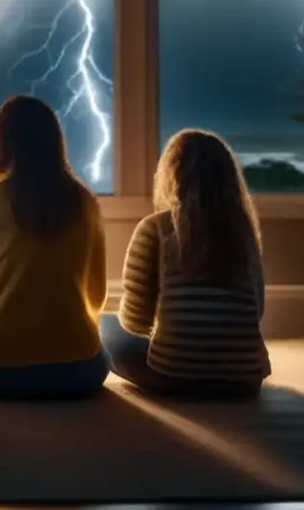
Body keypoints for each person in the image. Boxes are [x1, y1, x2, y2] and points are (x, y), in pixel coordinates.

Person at [0, 94, 109, 400]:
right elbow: (96, 294)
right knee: (109, 342)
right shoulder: (87, 202)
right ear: (55, 143)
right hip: (78, 374)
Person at [99, 128, 270, 398]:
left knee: (103, 326)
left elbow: (134, 322)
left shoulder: (156, 228)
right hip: (245, 381)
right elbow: (257, 309)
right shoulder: (242, 231)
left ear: (171, 176)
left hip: (174, 376)